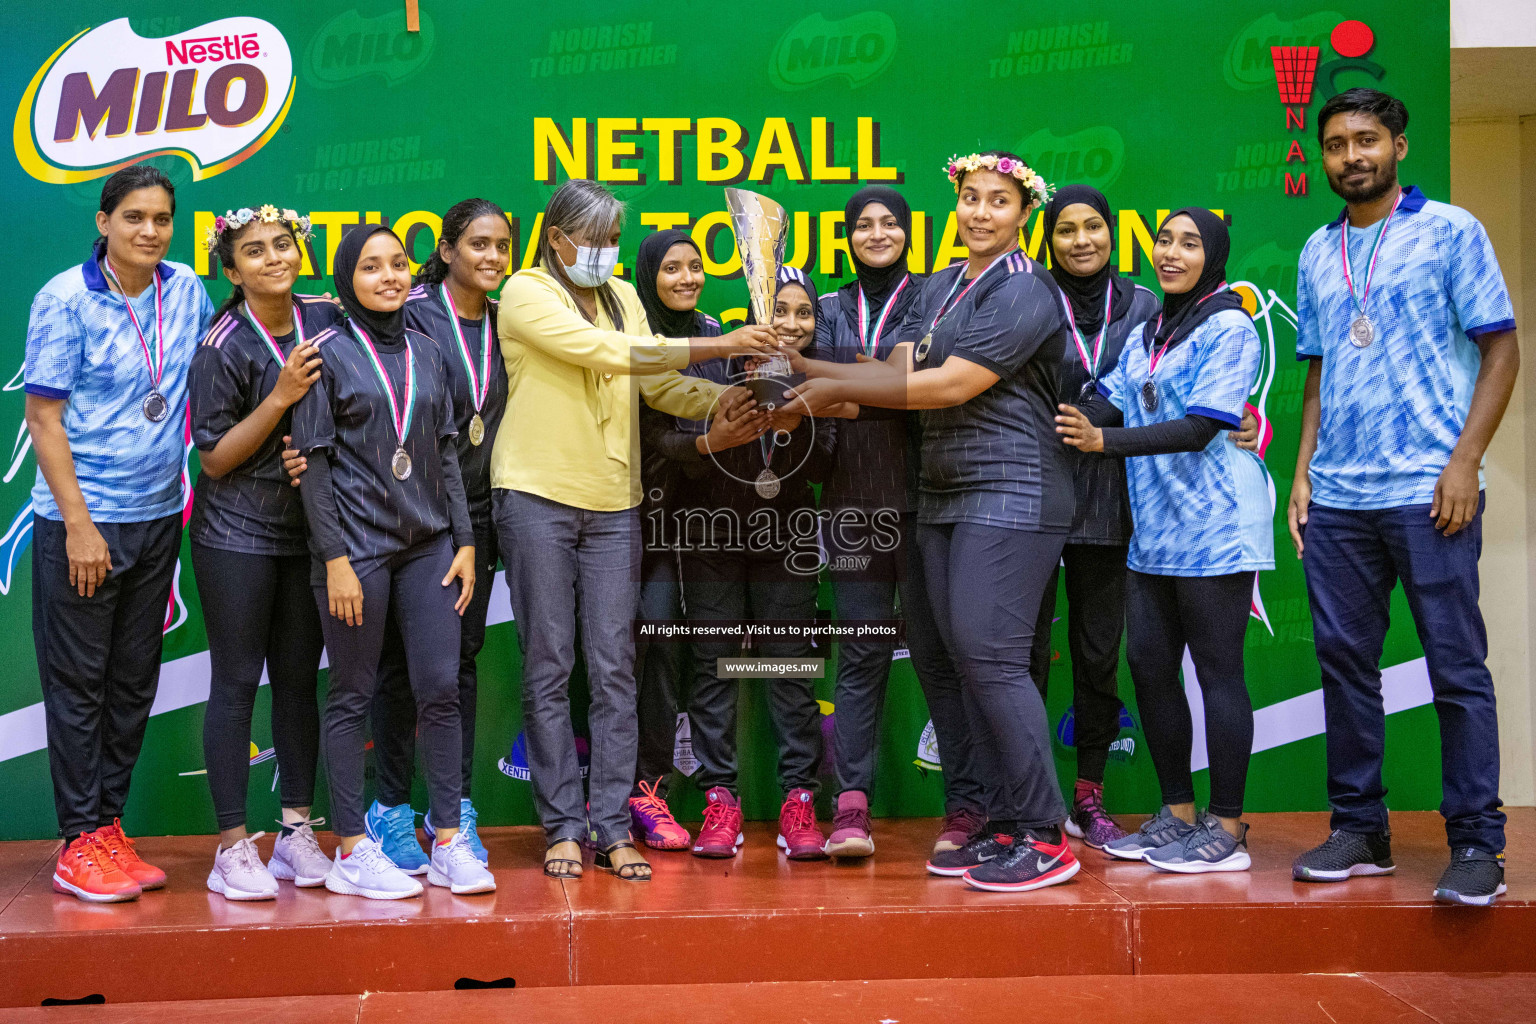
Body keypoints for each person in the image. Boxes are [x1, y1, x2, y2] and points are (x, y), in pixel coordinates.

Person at [786, 151, 1080, 893]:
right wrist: (791, 378)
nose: (981, 213)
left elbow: (946, 384)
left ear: (1023, 215)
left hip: (1012, 493)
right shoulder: (942, 289)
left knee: (993, 660)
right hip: (942, 496)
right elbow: (894, 377)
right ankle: (1002, 822)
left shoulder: (1027, 289)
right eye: (971, 199)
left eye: (999, 202)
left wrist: (813, 380)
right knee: (957, 664)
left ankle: (1045, 837)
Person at [493, 179, 778, 881]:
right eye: (590, 239)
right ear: (556, 238)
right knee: (551, 664)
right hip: (537, 496)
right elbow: (606, 355)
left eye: (612, 239)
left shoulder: (622, 295)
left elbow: (659, 387)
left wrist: (743, 399)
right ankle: (563, 824)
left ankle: (613, 826)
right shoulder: (527, 293)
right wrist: (722, 347)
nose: (603, 251)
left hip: (616, 506)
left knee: (617, 668)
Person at [1286, 88, 1518, 906]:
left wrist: (1466, 460)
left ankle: (1477, 845)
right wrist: (1304, 472)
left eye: (1368, 140)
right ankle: (1361, 828)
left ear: (1399, 147)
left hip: (1431, 491)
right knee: (1345, 666)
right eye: (1338, 144)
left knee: (1456, 669)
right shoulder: (1318, 248)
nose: (1353, 156)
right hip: (1340, 499)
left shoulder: (1451, 230)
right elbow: (1317, 370)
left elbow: (1501, 348)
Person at [1056, 208, 1273, 873]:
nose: (1171, 253)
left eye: (1189, 243)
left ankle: (1229, 824)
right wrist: (1048, 422)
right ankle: (1177, 811)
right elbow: (1112, 400)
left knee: (1218, 674)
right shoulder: (1151, 331)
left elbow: (1202, 425)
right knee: (1149, 670)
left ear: (1213, 255)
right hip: (1152, 535)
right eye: (1164, 241)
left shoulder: (1230, 326)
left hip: (1216, 531)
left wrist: (1103, 441)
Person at [26, 166, 213, 903]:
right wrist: (78, 525)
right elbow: (43, 418)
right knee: (79, 687)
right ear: (104, 222)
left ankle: (107, 827)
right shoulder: (65, 300)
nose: (149, 231)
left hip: (158, 516)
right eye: (133, 216)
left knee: (132, 683)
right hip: (83, 523)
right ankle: (78, 841)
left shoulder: (187, 289)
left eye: (162, 219)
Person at [290, 224, 495, 899]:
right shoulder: (325, 353)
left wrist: (464, 540)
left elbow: (446, 458)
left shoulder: (430, 351)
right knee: (352, 693)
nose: (388, 276)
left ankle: (447, 840)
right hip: (358, 551)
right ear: (348, 277)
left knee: (440, 687)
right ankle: (352, 846)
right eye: (371, 266)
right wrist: (336, 562)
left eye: (398, 264)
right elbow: (314, 473)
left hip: (430, 546)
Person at [813, 186, 979, 860]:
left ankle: (965, 808)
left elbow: (912, 375)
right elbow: (825, 388)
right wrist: (871, 379)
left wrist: (839, 378)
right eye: (863, 225)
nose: (876, 234)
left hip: (927, 501)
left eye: (889, 223)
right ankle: (850, 808)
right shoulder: (825, 307)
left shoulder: (935, 297)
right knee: (861, 656)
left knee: (941, 658)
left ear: (909, 232)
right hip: (851, 510)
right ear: (846, 236)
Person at [190, 205, 339, 900]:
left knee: (299, 681)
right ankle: (230, 846)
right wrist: (280, 398)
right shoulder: (223, 344)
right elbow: (215, 459)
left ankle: (295, 831)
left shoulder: (325, 317)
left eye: (284, 245)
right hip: (236, 535)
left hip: (306, 533)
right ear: (232, 268)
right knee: (237, 682)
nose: (274, 258)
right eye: (255, 251)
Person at [365, 200, 512, 873]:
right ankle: (390, 808)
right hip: (411, 519)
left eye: (502, 246)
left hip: (475, 518)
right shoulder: (413, 310)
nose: (490, 257)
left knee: (460, 666)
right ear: (448, 249)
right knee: (399, 667)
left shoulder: (509, 321)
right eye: (477, 244)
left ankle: (451, 812)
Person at [679, 267, 837, 861]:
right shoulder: (712, 365)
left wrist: (795, 416)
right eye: (779, 311)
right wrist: (728, 423)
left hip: (787, 544)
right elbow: (685, 456)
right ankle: (720, 798)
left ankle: (799, 799)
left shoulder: (821, 379)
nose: (790, 324)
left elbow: (823, 469)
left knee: (789, 667)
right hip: (712, 540)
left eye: (803, 313)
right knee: (715, 666)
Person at [1026, 186, 1160, 851]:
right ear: (1047, 239)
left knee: (1098, 651)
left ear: (1113, 233)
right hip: (1028, 492)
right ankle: (1028, 802)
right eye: (1066, 230)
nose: (1082, 241)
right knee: (1021, 655)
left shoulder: (1142, 305)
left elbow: (1171, 384)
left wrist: (1245, 421)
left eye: (1094, 228)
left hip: (1110, 499)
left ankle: (1089, 796)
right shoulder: (1027, 295)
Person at [630, 229, 769, 850]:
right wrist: (707, 444)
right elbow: (651, 435)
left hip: (717, 522)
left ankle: (720, 796)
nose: (686, 278)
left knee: (716, 658)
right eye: (671, 269)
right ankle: (646, 791)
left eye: (695, 266)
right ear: (648, 276)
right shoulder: (636, 333)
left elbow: (748, 416)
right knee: (653, 651)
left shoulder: (723, 332)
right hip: (648, 523)